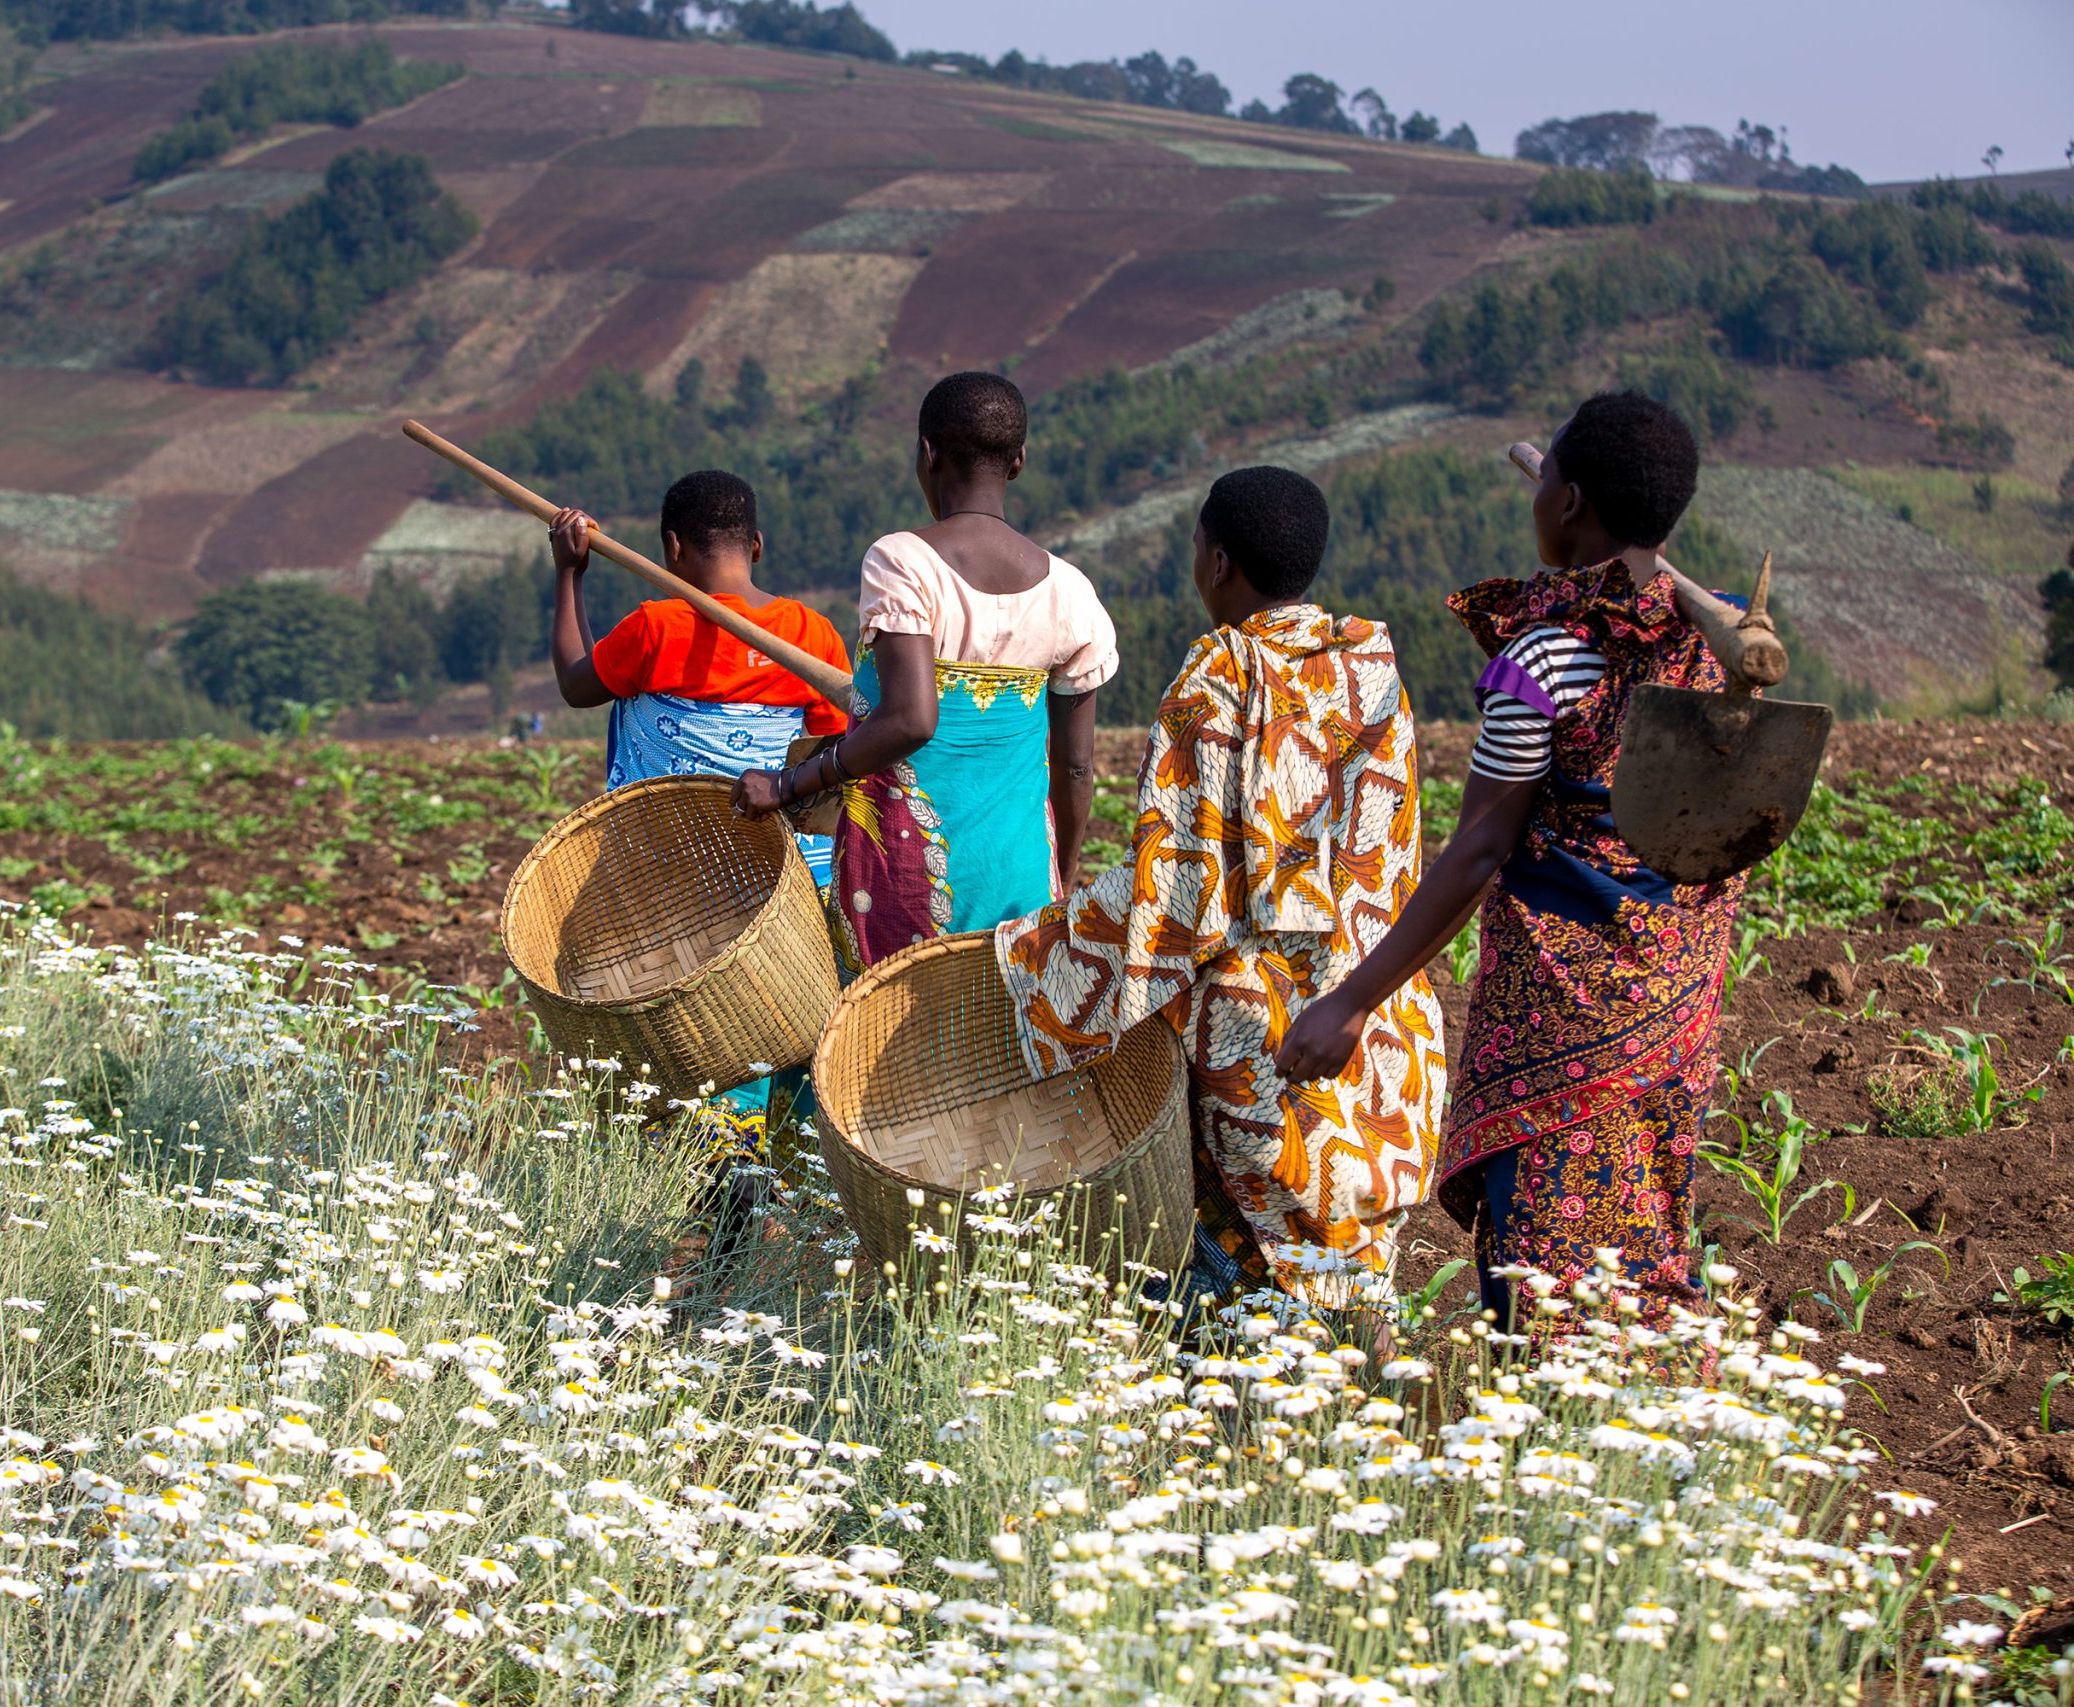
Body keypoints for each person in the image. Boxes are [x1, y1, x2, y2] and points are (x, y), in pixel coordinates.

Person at [1275, 391, 1742, 1345]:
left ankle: (1553, 1416)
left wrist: (1353, 1000)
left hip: (1559, 1006)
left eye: (1548, 480)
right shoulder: (1713, 641)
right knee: (1642, 1237)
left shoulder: (1546, 660)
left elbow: (1482, 846)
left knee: (1541, 1254)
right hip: (1674, 1002)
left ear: (1566, 503)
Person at [994, 467, 1444, 1310]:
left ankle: (1245, 1370)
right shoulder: (1371, 668)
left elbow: (1177, 893)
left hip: (1261, 1029)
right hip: (1374, 1014)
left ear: (1217, 561)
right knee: (1342, 1272)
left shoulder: (1215, 681)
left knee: (1241, 1269)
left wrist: (1041, 953)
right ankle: (1357, 1365)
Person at [733, 372, 1118, 966]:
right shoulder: (1071, 592)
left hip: (907, 886)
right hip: (1020, 886)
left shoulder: (904, 562)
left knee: (890, 1017)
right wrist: (1060, 879)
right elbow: (1075, 766)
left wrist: (787, 786)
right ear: (1018, 461)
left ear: (927, 453)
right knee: (1000, 1020)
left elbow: (911, 719)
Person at [547, 468, 851, 1157]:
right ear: (757, 545)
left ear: (673, 549)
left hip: (678, 878)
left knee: (703, 1050)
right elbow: (832, 754)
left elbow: (575, 682)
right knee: (786, 1027)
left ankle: (711, 1160)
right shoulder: (811, 635)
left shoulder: (654, 629)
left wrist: (569, 574)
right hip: (791, 881)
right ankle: (788, 1158)